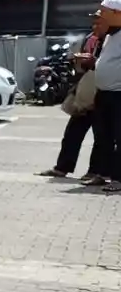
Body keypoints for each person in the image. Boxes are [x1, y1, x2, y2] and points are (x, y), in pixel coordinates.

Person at [39, 13, 107, 183]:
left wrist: (94, 62)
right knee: (72, 134)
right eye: (94, 22)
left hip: (103, 94)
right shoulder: (90, 39)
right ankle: (62, 167)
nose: (95, 26)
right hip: (85, 93)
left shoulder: (111, 41)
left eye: (99, 22)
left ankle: (95, 172)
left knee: (101, 137)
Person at [90, 0, 121, 192]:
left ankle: (118, 179)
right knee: (103, 137)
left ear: (117, 13)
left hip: (119, 95)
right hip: (104, 94)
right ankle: (102, 174)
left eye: (104, 11)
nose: (100, 15)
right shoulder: (110, 35)